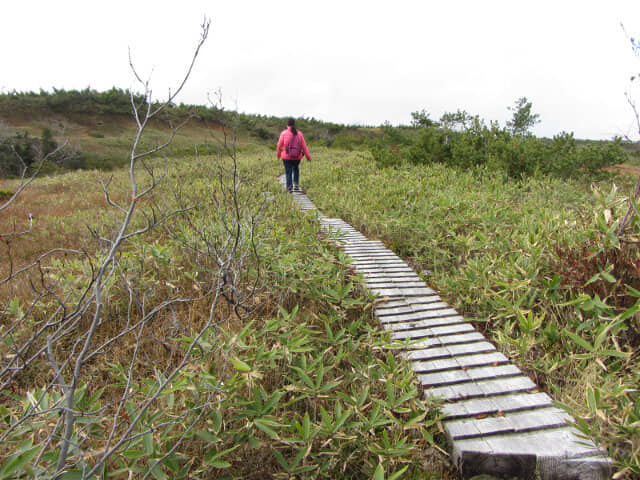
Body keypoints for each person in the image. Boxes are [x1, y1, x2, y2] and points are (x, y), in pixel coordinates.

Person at [276, 118, 312, 193]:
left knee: (288, 172)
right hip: (297, 157)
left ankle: (289, 188)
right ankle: (296, 184)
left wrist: (278, 155)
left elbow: (279, 145)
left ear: (287, 125)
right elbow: (304, 146)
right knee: (296, 168)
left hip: (286, 157)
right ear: (294, 124)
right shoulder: (300, 134)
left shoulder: (284, 133)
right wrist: (308, 157)